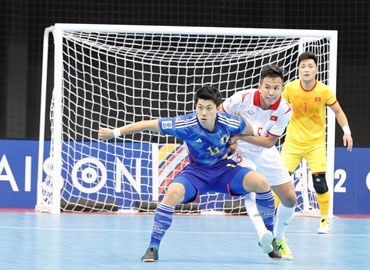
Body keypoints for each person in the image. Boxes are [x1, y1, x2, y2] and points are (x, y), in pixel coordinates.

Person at [98, 85, 281, 262]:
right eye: (200, 107)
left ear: (218, 108)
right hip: (196, 173)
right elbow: (148, 125)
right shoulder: (185, 124)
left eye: (208, 108)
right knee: (172, 192)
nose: (203, 113)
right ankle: (153, 246)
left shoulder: (232, 122)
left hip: (223, 169)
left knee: (261, 182)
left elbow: (249, 132)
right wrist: (113, 133)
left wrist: (235, 143)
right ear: (195, 106)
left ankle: (270, 237)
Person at [220, 64, 296, 260]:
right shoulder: (242, 98)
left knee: (290, 199)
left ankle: (278, 238)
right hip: (242, 152)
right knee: (252, 186)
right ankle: (263, 234)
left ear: (282, 88)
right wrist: (228, 141)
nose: (271, 92)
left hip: (264, 150)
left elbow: (270, 142)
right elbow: (220, 113)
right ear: (259, 86)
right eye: (268, 87)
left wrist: (241, 136)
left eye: (276, 88)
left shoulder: (285, 109)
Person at [281, 52, 353, 234]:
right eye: (303, 66)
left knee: (319, 182)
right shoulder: (289, 88)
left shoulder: (324, 91)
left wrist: (347, 132)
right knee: (279, 180)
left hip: (315, 143)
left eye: (310, 66)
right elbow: (278, 109)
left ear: (316, 70)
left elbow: (338, 111)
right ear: (298, 70)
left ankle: (323, 222)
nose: (306, 69)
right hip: (292, 143)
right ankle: (273, 218)